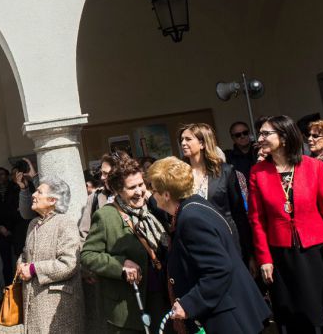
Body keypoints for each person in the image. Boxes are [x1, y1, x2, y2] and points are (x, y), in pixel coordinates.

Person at [148, 157, 270, 333]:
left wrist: (189, 304)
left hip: (228, 318)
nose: (152, 195)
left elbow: (218, 269)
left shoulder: (191, 219)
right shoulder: (194, 204)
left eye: (154, 190)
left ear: (166, 194)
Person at [249, 115, 323, 333]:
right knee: (293, 319)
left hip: (317, 251)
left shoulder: (313, 166)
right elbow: (257, 219)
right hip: (281, 255)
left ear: (283, 137)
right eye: (260, 133)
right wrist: (264, 258)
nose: (260, 137)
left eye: (265, 133)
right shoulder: (258, 172)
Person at [81, 155, 167, 333]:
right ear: (118, 190)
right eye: (132, 187)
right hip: (128, 307)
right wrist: (120, 264)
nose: (139, 191)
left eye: (141, 184)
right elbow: (88, 255)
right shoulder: (106, 216)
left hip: (163, 296)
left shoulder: (152, 208)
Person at [16, 176, 83, 334]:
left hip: (57, 307)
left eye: (39, 192)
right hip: (34, 301)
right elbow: (25, 253)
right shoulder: (33, 224)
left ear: (53, 200)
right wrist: (21, 265)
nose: (33, 195)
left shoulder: (65, 223)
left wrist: (33, 269)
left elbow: (69, 264)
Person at [178, 123, 253, 263]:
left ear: (202, 143)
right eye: (181, 140)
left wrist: (249, 253)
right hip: (195, 244)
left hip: (226, 242)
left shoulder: (225, 171)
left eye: (188, 139)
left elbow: (238, 214)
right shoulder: (179, 175)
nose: (183, 143)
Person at [0, 166, 22, 284]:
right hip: (1, 231)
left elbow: (20, 209)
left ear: (7, 176)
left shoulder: (15, 188)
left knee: (21, 258)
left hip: (17, 229)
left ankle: (23, 287)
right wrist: (0, 227)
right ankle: (9, 292)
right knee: (6, 262)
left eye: (2, 174)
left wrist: (12, 227)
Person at [78, 153, 117, 240]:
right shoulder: (94, 198)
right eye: (102, 173)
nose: (102, 177)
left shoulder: (136, 195)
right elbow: (84, 234)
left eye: (106, 173)